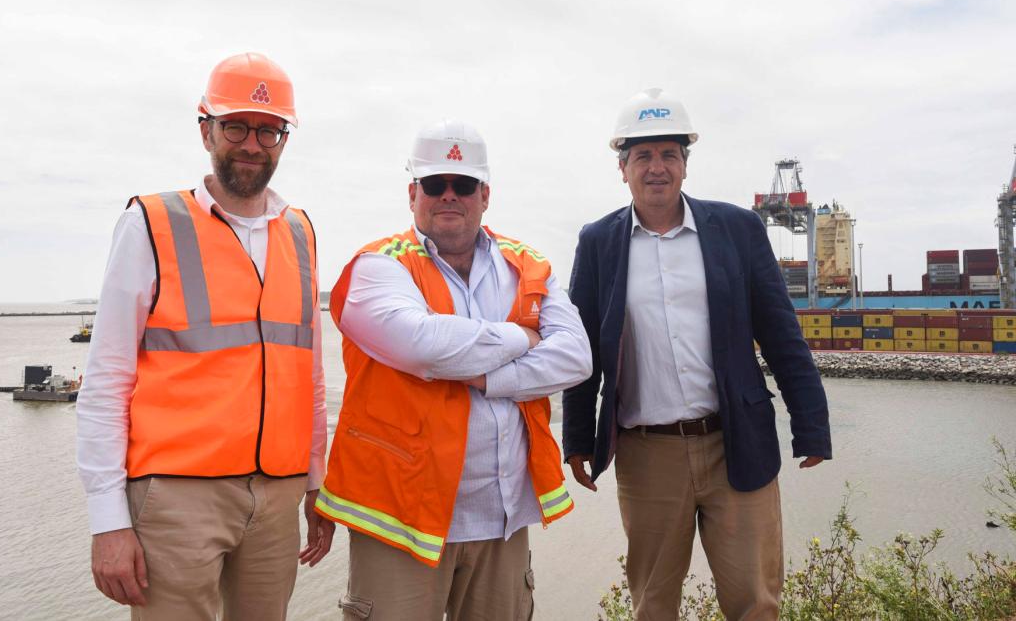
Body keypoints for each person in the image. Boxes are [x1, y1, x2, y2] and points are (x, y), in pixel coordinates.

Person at [76, 52, 334, 621]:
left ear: (283, 139)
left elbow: (308, 374)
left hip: (278, 495)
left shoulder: (301, 233)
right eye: (236, 126)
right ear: (205, 130)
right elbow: (106, 380)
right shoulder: (151, 223)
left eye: (268, 130)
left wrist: (318, 483)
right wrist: (108, 521)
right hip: (175, 497)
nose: (251, 143)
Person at [562, 88, 831, 619]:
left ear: (685, 163)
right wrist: (576, 438)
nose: (657, 167)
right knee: (654, 605)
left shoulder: (737, 229)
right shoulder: (598, 242)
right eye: (643, 156)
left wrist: (812, 424)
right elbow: (583, 349)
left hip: (736, 445)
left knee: (755, 602)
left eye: (669, 154)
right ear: (623, 167)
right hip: (646, 454)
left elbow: (781, 335)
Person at [315, 121, 592, 620]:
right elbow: (424, 347)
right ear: (411, 193)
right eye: (434, 184)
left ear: (484, 195)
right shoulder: (379, 266)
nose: (448, 196)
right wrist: (522, 338)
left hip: (500, 520)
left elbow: (575, 356)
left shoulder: (526, 266)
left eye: (462, 185)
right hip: (397, 520)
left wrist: (489, 377)